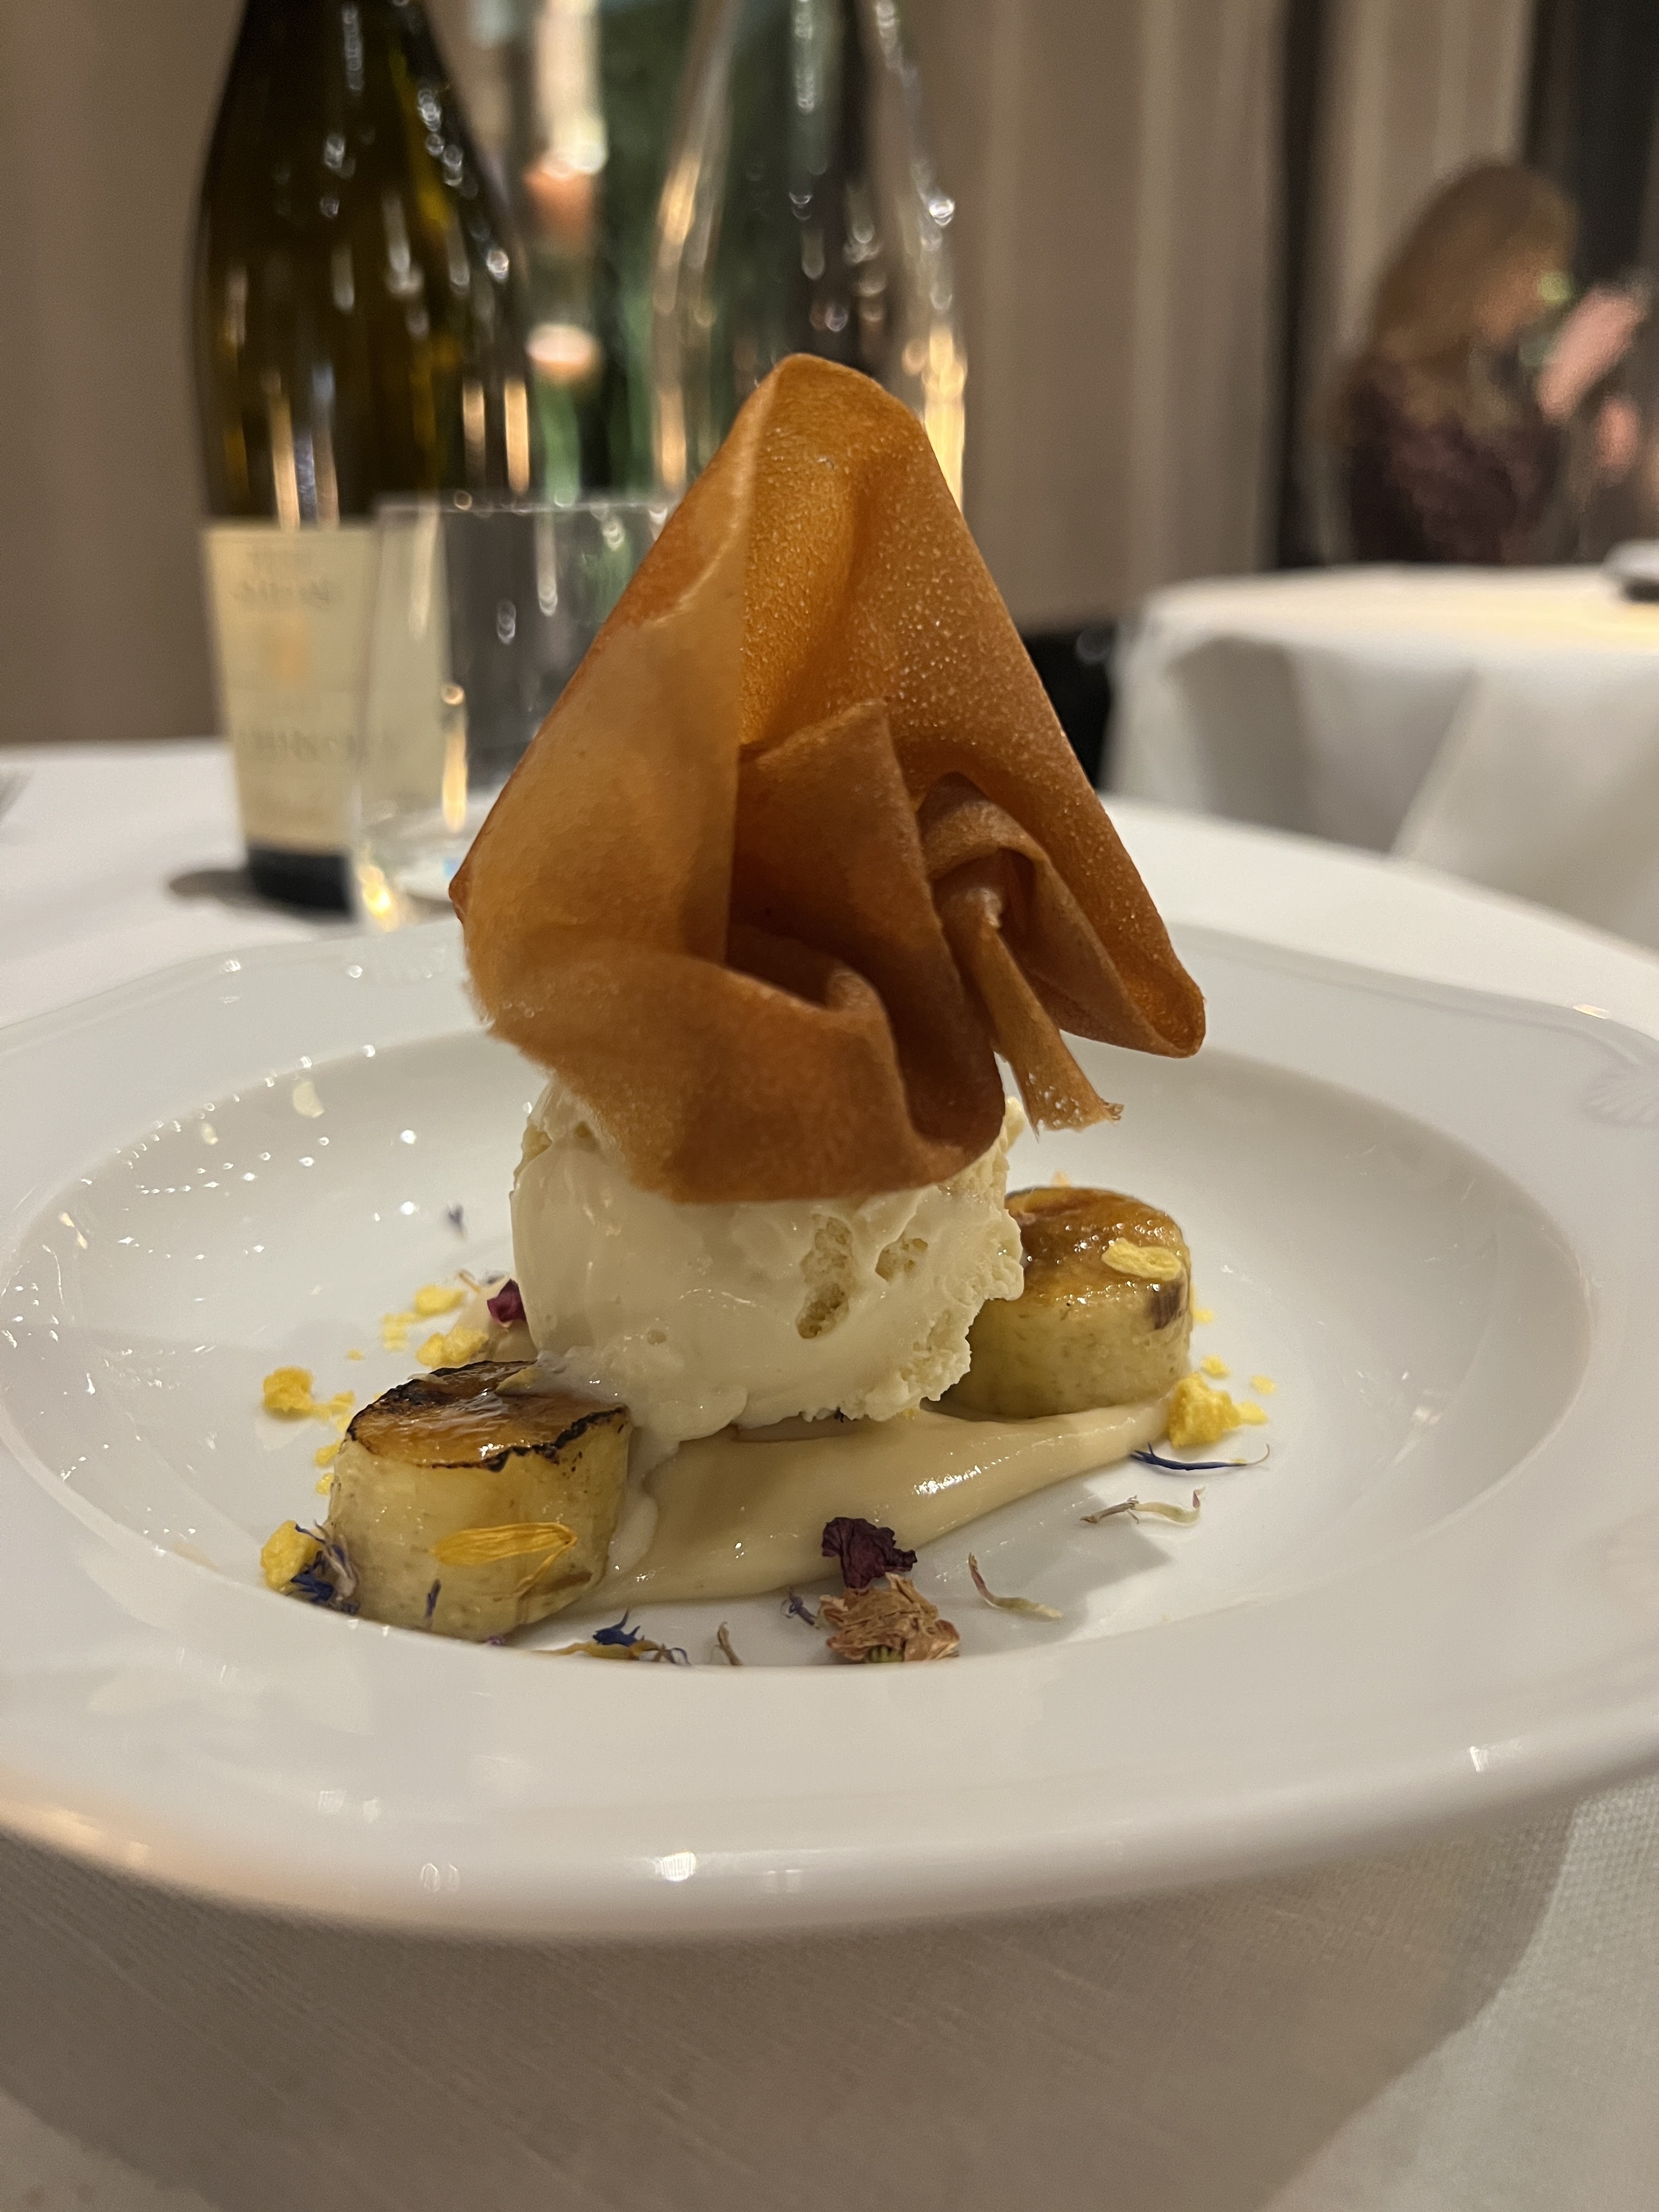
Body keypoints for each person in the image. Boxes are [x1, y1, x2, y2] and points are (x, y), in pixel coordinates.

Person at [1333, 163, 1645, 565]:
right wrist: (1554, 398)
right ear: (1481, 271)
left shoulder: (1492, 378)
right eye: (1531, 277)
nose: (1537, 302)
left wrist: (1586, 445)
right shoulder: (1389, 387)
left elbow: (1536, 525)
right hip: (1419, 606)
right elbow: (1472, 540)